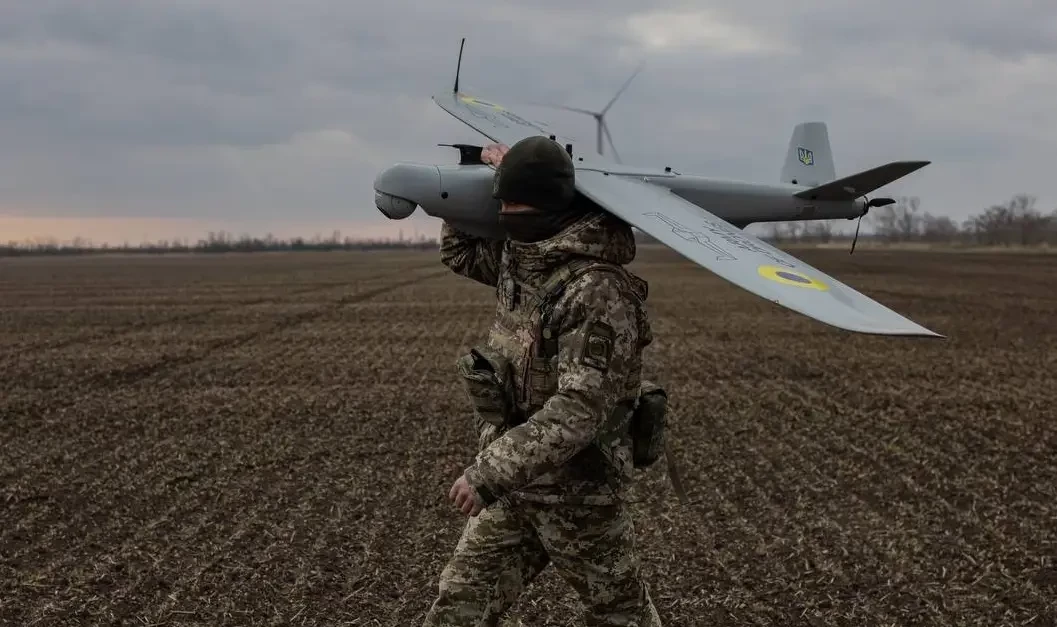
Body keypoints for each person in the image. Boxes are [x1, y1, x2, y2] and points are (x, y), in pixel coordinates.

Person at [422, 137, 663, 626]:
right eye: (501, 203)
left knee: (620, 616)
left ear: (551, 206)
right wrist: (478, 175)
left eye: (515, 203)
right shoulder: (521, 259)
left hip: (579, 496)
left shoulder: (596, 290)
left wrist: (488, 473)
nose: (505, 214)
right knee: (460, 605)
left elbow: (578, 411)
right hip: (518, 491)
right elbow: (460, 250)